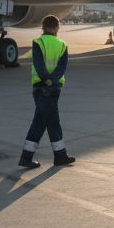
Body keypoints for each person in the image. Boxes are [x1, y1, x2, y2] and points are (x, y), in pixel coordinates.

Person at [19, 15, 75, 168]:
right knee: (50, 123)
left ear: (42, 27)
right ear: (57, 27)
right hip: (54, 88)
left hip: (39, 87)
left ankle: (31, 157)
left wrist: (45, 79)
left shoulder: (38, 42)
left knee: (43, 121)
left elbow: (38, 64)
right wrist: (52, 80)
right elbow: (62, 67)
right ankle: (58, 156)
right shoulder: (62, 45)